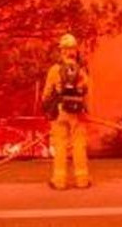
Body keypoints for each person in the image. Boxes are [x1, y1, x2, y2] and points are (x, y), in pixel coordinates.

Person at [42, 33, 92, 189]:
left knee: (60, 145)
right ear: (75, 51)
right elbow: (87, 91)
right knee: (79, 145)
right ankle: (82, 181)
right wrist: (85, 110)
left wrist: (46, 108)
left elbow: (46, 94)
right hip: (78, 113)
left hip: (60, 112)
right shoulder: (82, 71)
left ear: (62, 51)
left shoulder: (55, 70)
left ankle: (59, 181)